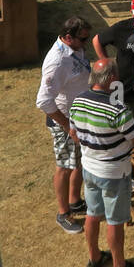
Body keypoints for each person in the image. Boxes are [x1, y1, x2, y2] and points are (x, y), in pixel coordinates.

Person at [69, 58, 134, 267]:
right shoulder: (116, 109)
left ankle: (94, 258)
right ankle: (119, 265)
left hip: (89, 167)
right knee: (115, 221)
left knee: (92, 214)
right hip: (114, 172)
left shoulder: (77, 101)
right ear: (112, 78)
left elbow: (74, 134)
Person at [36, 16, 94, 234]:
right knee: (64, 166)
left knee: (78, 163)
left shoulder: (74, 48)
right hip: (65, 121)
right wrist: (67, 126)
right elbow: (43, 101)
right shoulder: (57, 62)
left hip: (79, 118)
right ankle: (63, 213)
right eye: (83, 39)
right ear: (68, 38)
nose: (85, 44)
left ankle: (75, 201)